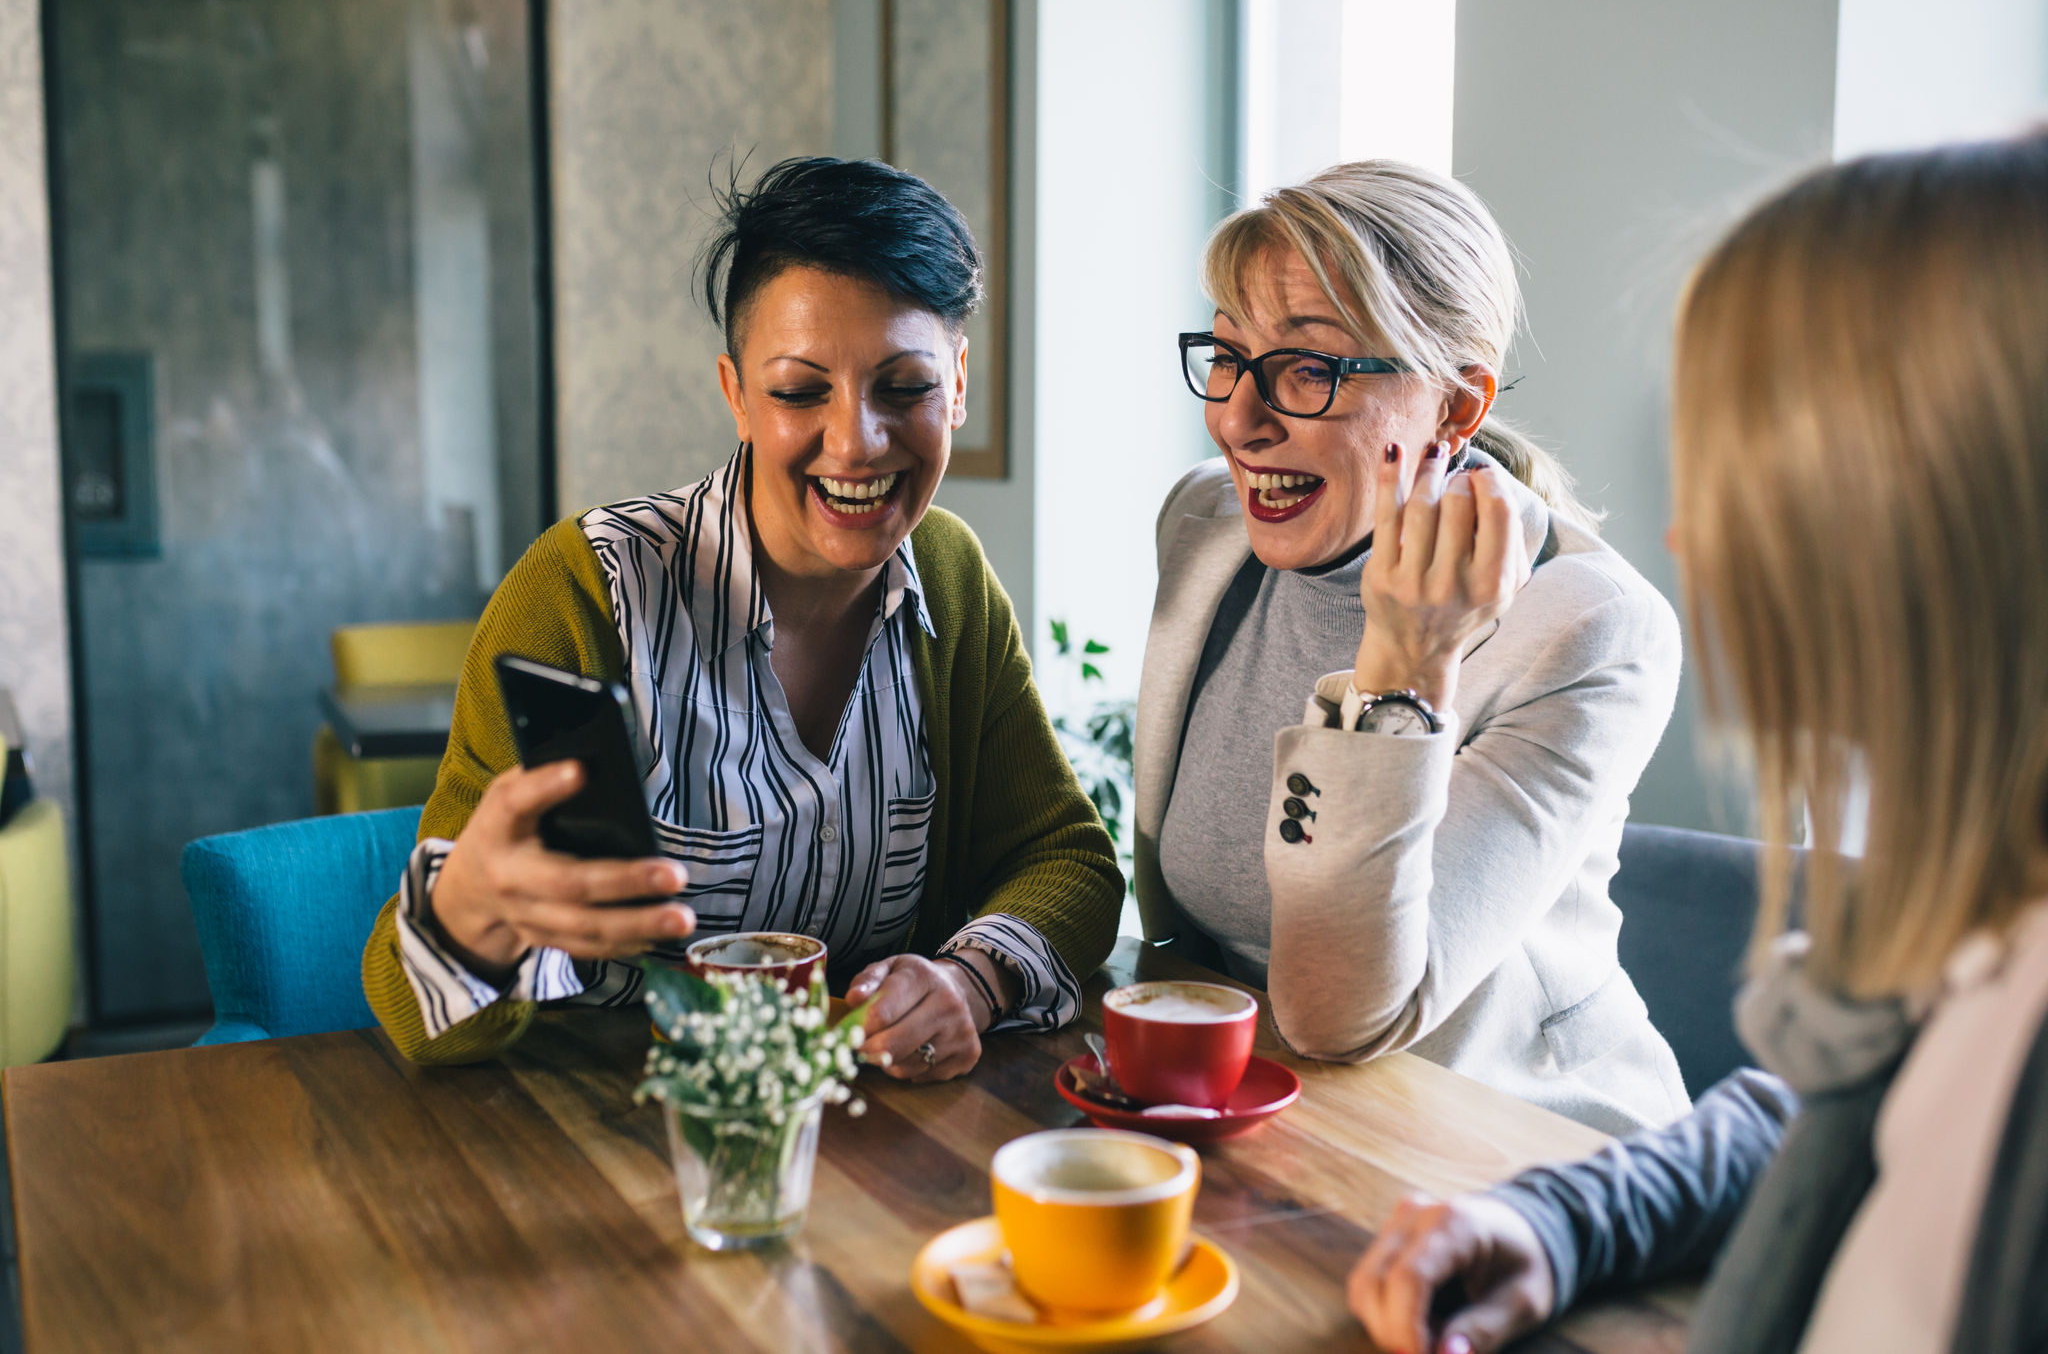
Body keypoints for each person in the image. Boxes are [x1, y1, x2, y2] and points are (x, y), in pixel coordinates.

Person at [1347, 129, 2048, 1354]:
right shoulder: (1987, 931)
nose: (1689, 538)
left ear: (1957, 514)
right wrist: (1564, 1218)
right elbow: (1829, 1112)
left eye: (1753, 475)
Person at [361, 157, 1124, 1079]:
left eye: (906, 387)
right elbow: (416, 1018)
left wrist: (971, 980)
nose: (856, 442)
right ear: (736, 393)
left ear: (957, 382)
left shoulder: (952, 580)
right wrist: (467, 916)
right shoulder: (586, 593)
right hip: (601, 1132)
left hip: (859, 1138)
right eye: (802, 391)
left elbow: (1067, 858)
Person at [1136, 160, 1687, 1133]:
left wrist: (1401, 669)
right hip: (1269, 1118)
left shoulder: (1588, 628)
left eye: (1306, 370)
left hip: (1506, 1149)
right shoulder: (1203, 526)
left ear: (1454, 408)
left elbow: (1341, 1015)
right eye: (1225, 355)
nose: (1233, 417)